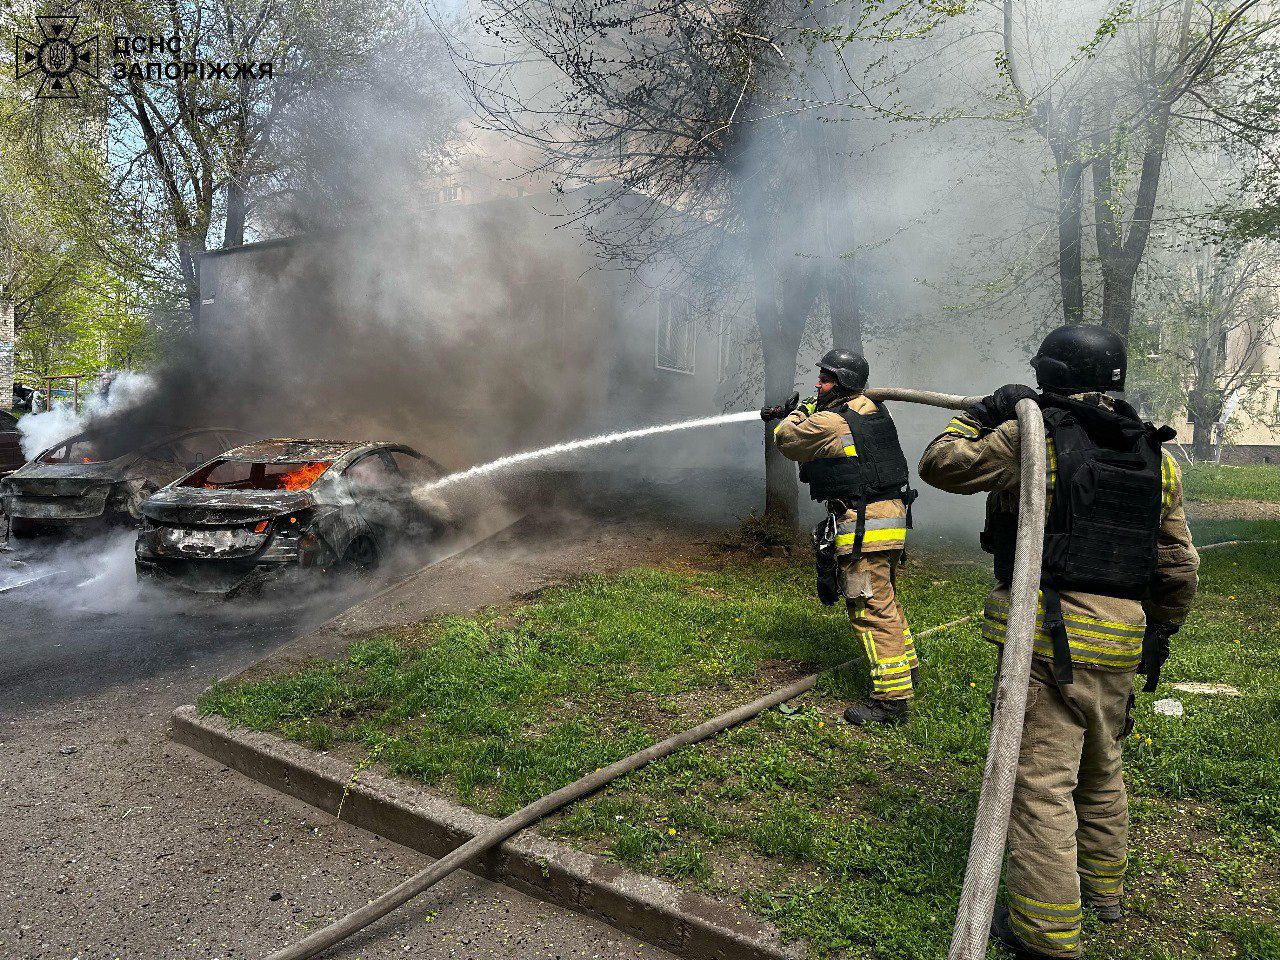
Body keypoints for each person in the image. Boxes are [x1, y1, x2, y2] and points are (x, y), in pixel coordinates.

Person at [917, 325, 1199, 959]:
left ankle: (1046, 935)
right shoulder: (1155, 455)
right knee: (1101, 765)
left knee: (1039, 785)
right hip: (1124, 638)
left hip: (1048, 638)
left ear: (1048, 377)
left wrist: (982, 412)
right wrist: (1158, 635)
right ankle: (1103, 893)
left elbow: (940, 465)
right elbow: (1178, 564)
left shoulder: (1031, 434)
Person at [762, 349, 919, 725]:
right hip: (889, 519)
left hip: (864, 525)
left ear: (844, 383)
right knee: (886, 601)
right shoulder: (876, 410)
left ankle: (892, 700)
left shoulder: (830, 422)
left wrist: (799, 411)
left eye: (826, 378)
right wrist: (819, 403)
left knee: (870, 607)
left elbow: (786, 440)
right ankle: (906, 669)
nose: (818, 383)